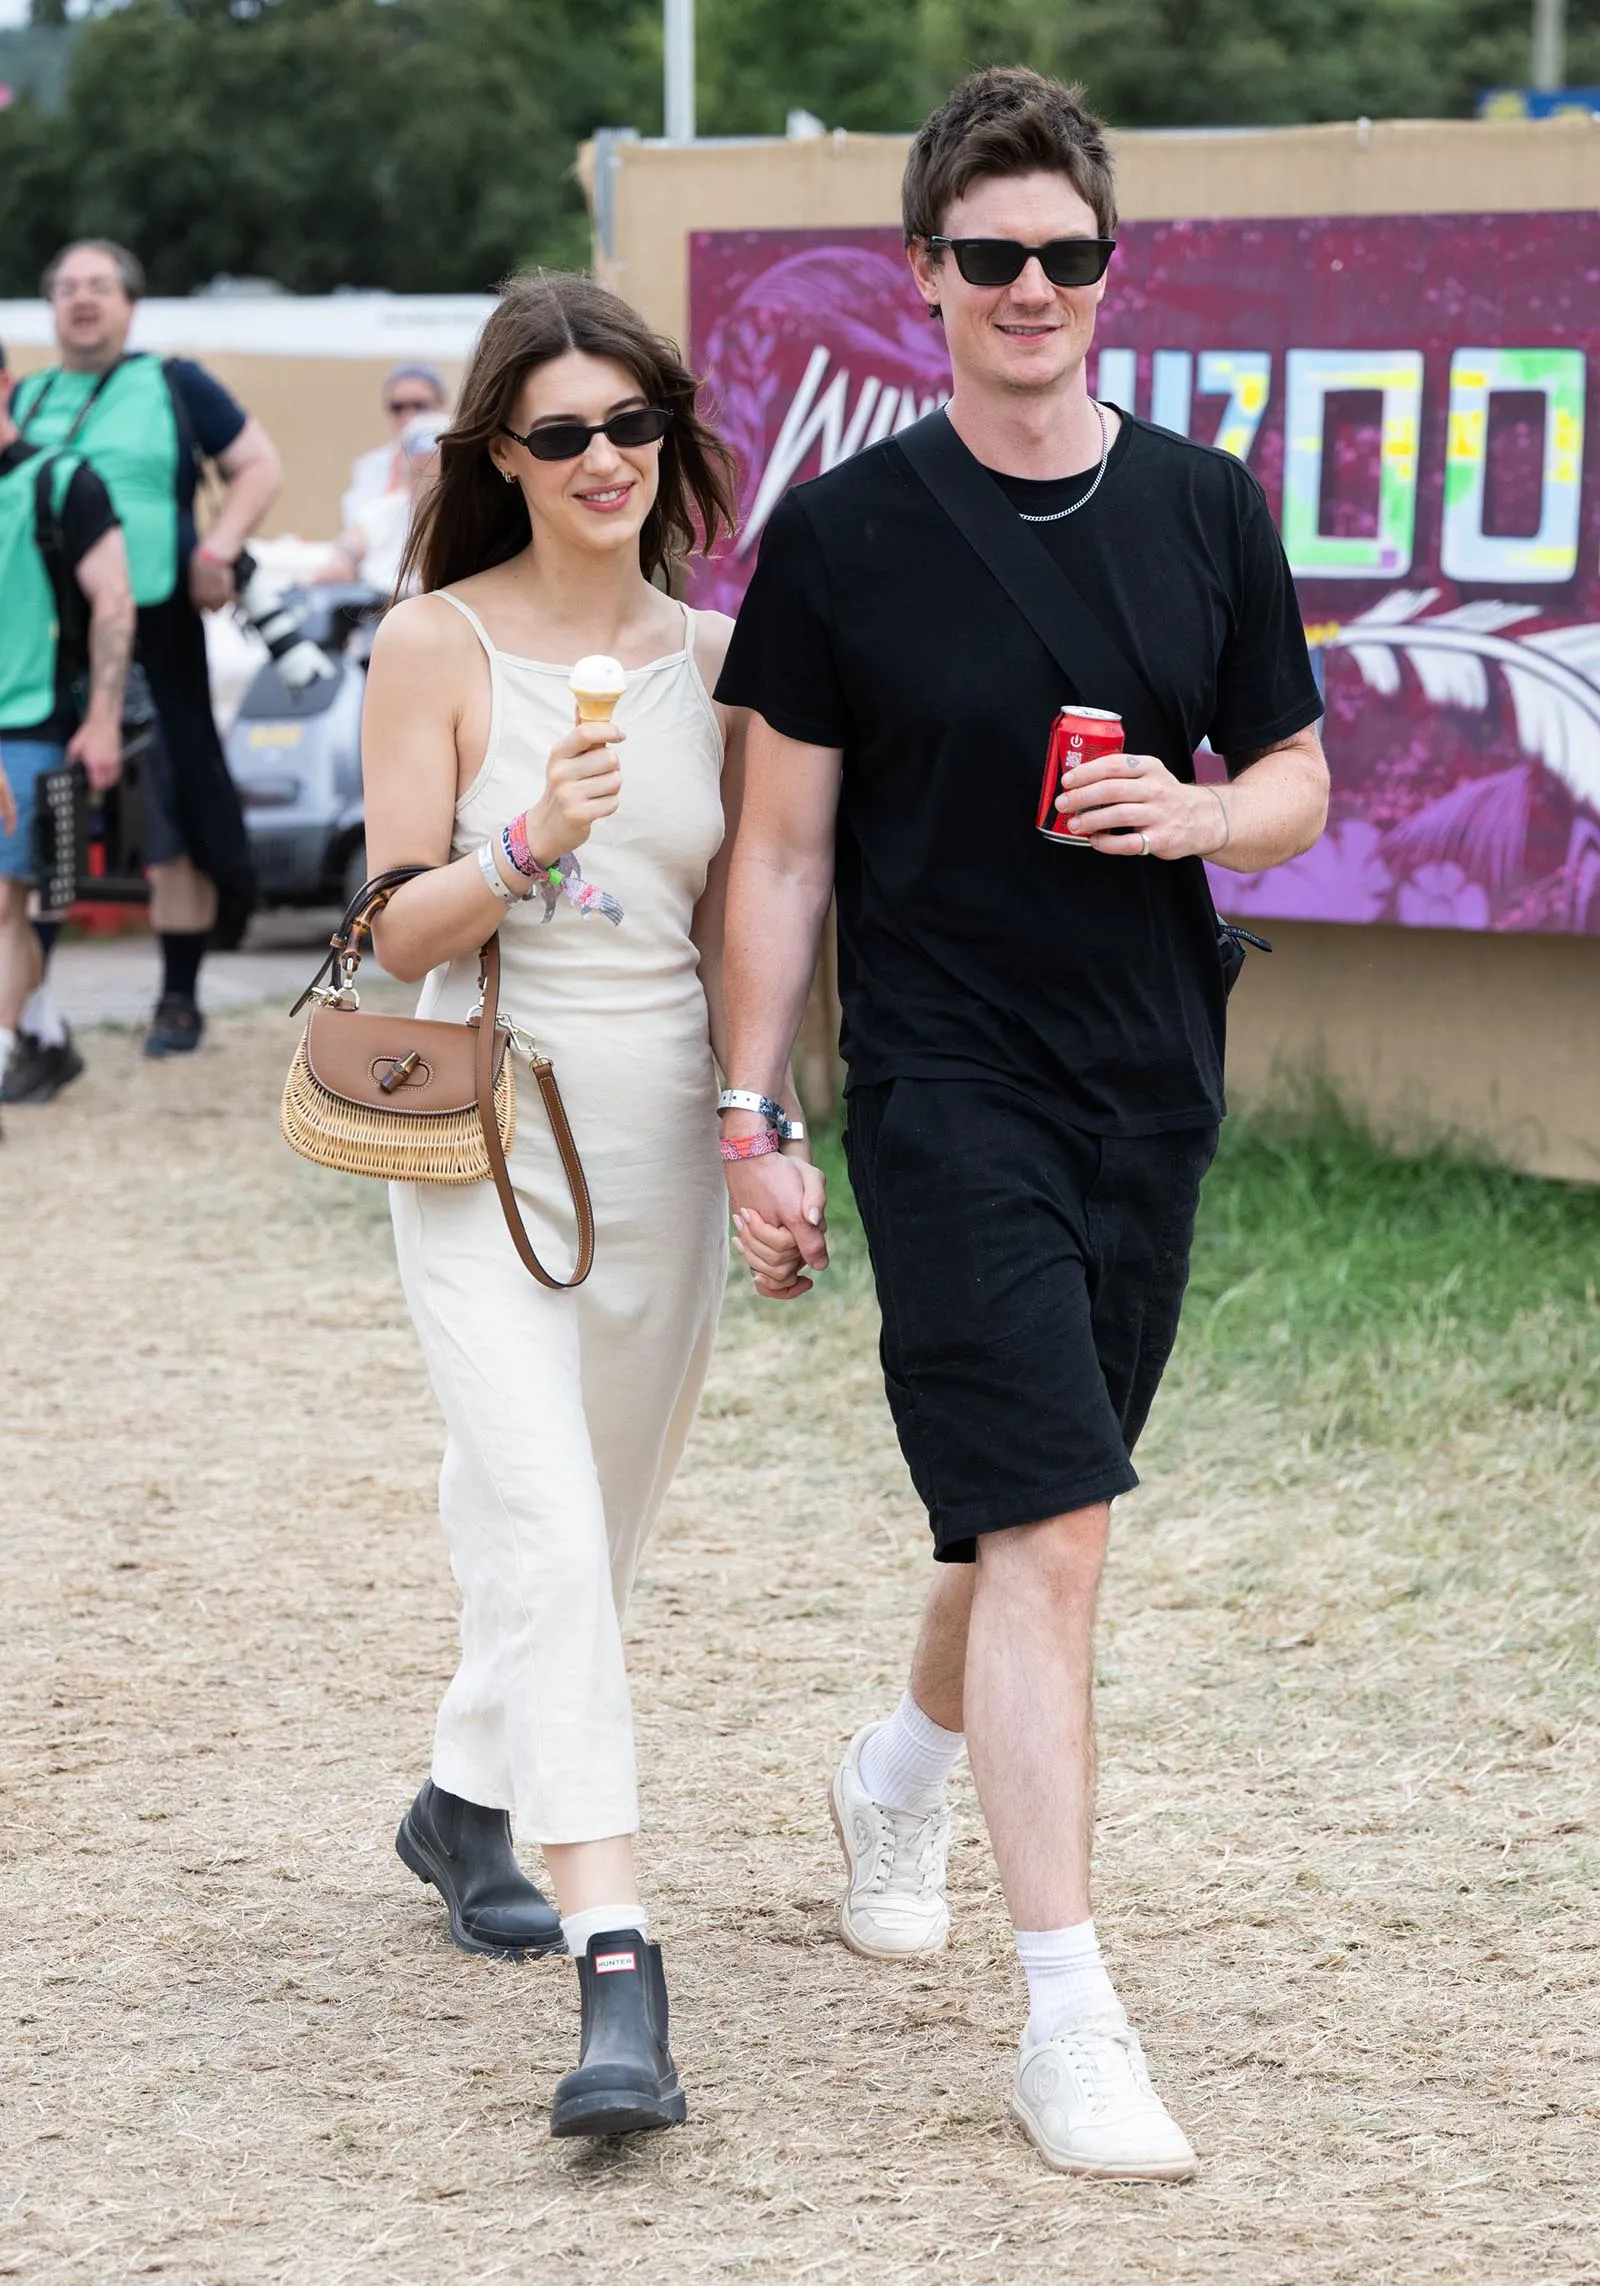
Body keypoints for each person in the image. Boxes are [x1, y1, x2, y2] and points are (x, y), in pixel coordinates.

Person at [714, 67, 1329, 2182]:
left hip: (1147, 1077)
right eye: (989, 255)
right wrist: (753, 1111)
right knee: (1055, 1528)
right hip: (943, 1083)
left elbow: (1295, 782)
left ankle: (897, 1769)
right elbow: (778, 854)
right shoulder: (841, 538)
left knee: (1024, 1515)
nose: (1030, 287)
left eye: (1066, 253)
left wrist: (1200, 816)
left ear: (1107, 268)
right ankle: (1067, 2016)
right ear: (926, 274)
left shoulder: (1206, 508)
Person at [361, 270, 819, 2138]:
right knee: (547, 1522)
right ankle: (617, 1961)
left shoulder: (719, 657)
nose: (604, 457)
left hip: (658, 1144)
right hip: (483, 1137)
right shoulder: (438, 644)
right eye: (562, 433)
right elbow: (391, 926)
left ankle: (462, 1796)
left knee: (592, 1530)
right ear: (500, 453)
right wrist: (527, 839)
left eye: (633, 422)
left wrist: (766, 1125)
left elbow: (753, 914)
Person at [12, 240, 282, 1056]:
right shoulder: (28, 397)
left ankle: (178, 999)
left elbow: (259, 467)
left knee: (173, 810)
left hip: (158, 629)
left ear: (130, 304)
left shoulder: (174, 383)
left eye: (99, 285)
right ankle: (29, 1015)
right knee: (42, 816)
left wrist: (217, 550)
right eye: (67, 287)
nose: (82, 299)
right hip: (51, 640)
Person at [0, 336, 134, 1109]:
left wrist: (104, 717)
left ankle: (11, 1047)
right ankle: (45, 1037)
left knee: (6, 900)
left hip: (29, 722)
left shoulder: (60, 481)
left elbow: (112, 599)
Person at [317, 412, 446, 594]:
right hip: (380, 602)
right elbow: (350, 546)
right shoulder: (387, 510)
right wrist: (344, 560)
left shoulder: (464, 519)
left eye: (435, 473)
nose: (426, 483)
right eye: (417, 472)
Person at [341, 363, 450, 529]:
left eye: (419, 406)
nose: (408, 415)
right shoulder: (369, 465)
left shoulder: (461, 459)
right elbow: (356, 523)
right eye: (398, 407)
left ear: (441, 406)